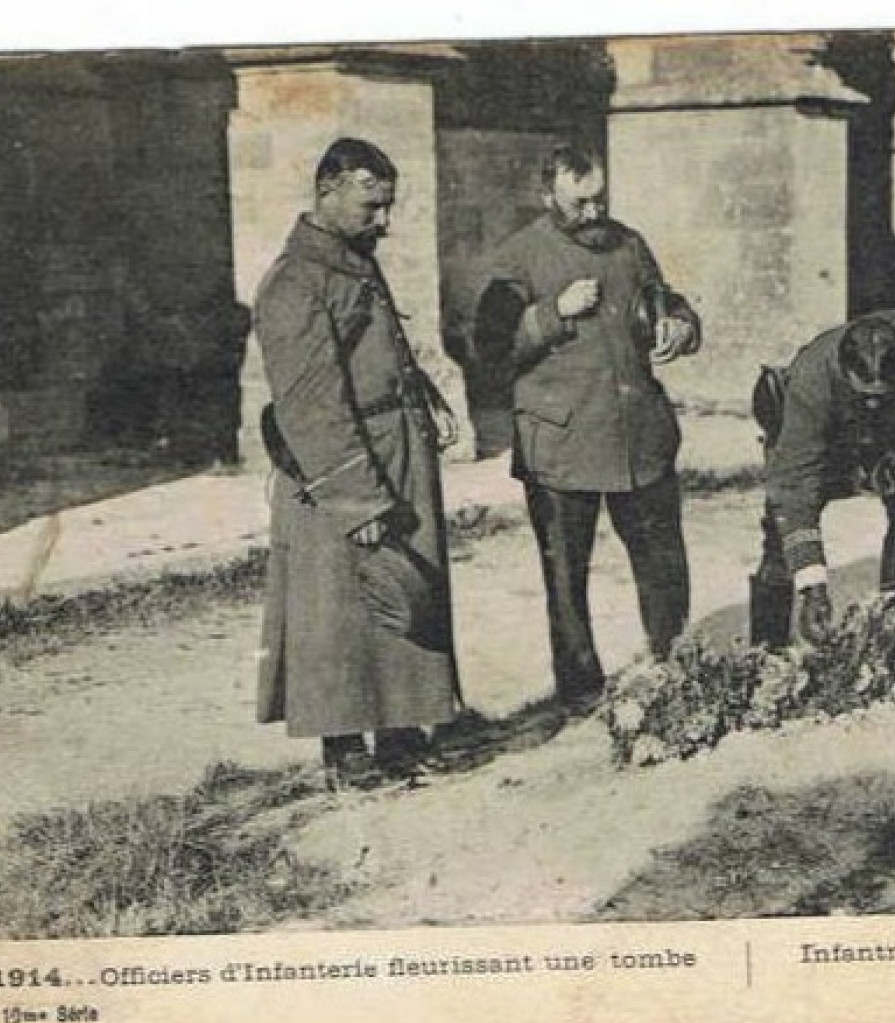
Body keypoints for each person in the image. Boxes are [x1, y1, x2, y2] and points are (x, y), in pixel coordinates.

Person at [253, 137, 464, 787]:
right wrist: (357, 496)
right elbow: (311, 400)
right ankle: (346, 753)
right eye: (372, 205)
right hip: (340, 467)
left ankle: (400, 733)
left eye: (389, 206)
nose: (384, 221)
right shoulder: (295, 280)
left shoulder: (352, 261)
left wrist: (426, 400)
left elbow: (381, 348)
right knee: (337, 609)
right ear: (328, 191)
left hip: (395, 451)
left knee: (402, 593)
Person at [475, 145, 701, 713]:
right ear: (547, 195)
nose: (595, 212)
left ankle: (672, 659)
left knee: (661, 557)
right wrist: (552, 313)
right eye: (580, 203)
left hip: (637, 435)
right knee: (565, 574)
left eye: (600, 198)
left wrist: (680, 324)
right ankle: (579, 691)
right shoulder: (517, 258)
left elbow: (664, 299)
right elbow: (490, 350)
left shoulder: (629, 244)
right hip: (562, 442)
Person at [750, 310, 895, 648]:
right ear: (845, 373)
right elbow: (795, 490)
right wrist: (813, 587)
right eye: (864, 394)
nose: (872, 402)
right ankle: (768, 651)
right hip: (824, 439)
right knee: (783, 532)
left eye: (881, 394)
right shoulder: (812, 384)